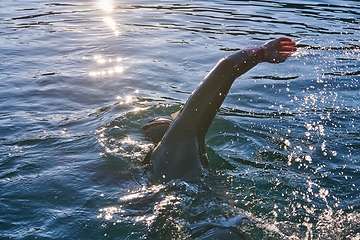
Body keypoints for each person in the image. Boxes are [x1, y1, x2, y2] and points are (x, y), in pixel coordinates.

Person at [142, 38, 297, 184]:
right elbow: (225, 67)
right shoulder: (177, 139)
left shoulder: (146, 171)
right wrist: (262, 51)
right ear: (167, 133)